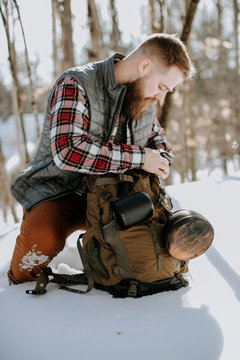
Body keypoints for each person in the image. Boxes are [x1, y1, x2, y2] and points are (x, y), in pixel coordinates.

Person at [8, 33, 194, 284]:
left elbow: (160, 146)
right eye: (162, 87)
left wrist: (160, 159)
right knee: (36, 252)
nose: (161, 97)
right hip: (58, 192)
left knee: (152, 246)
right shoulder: (76, 83)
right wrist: (140, 158)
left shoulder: (144, 98)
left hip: (112, 198)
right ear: (145, 66)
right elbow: (68, 151)